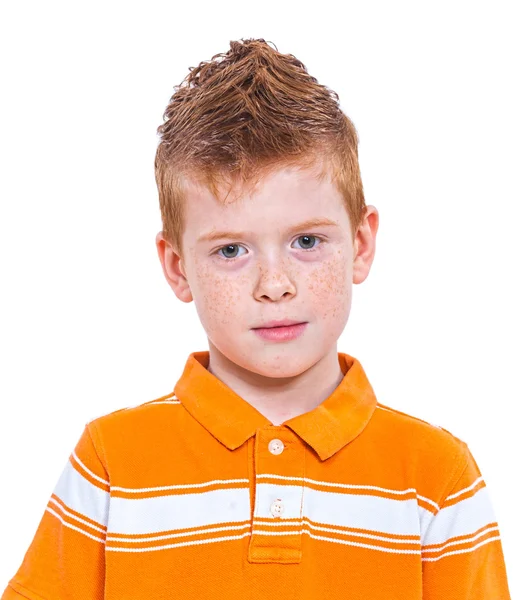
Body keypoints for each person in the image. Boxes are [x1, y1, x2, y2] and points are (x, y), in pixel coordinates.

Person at [1, 38, 512, 600]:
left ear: (362, 244)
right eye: (230, 251)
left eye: (307, 241)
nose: (275, 285)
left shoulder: (437, 478)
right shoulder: (111, 462)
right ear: (177, 268)